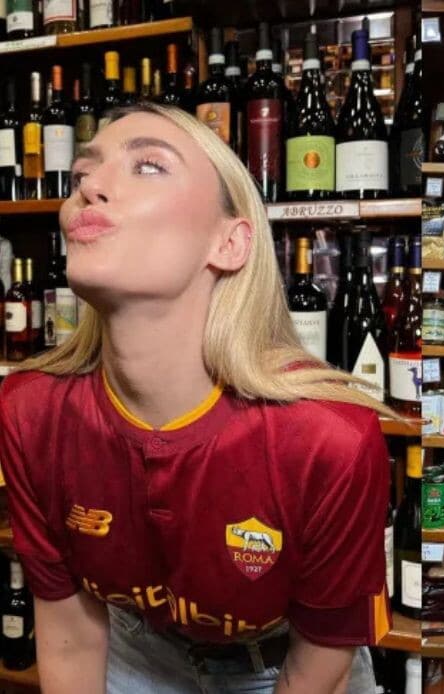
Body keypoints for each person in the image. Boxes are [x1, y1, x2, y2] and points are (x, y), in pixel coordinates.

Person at [0, 102, 396, 694]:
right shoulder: (29, 412)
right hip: (133, 655)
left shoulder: (330, 439)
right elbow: (71, 638)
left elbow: (316, 669)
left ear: (230, 242)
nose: (89, 188)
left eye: (149, 166)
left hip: (284, 667)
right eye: (82, 172)